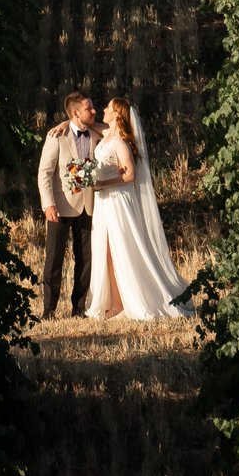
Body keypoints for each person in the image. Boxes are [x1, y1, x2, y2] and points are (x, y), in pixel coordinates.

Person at [85, 97, 196, 320]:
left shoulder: (120, 142)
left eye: (108, 108)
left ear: (117, 114)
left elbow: (130, 175)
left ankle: (127, 302)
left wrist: (101, 184)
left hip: (118, 201)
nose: (103, 110)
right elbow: (84, 124)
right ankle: (116, 302)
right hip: (104, 203)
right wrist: (63, 124)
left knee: (120, 250)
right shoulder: (107, 136)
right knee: (106, 253)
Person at [35, 91, 103, 318]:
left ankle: (79, 307)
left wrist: (68, 121)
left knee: (86, 259)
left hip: (89, 206)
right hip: (61, 206)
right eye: (88, 109)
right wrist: (48, 205)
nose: (94, 111)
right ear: (76, 113)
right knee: (54, 259)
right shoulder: (56, 137)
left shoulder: (94, 134)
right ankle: (49, 310)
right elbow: (44, 174)